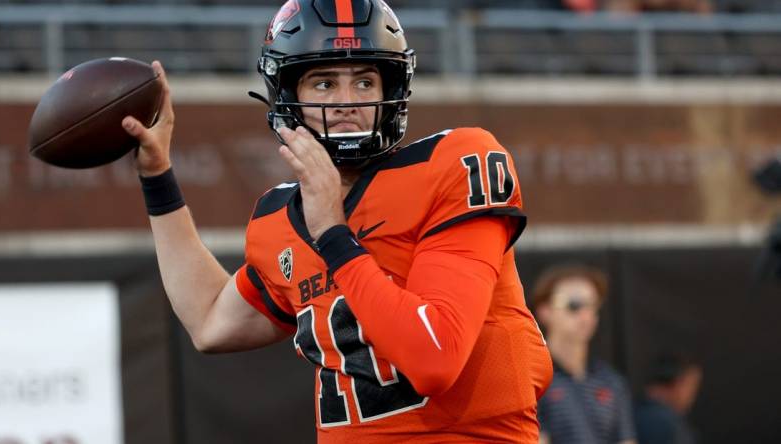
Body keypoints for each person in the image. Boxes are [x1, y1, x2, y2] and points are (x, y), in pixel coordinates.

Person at [120, 0, 553, 442]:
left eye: (365, 81)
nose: (347, 102)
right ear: (287, 96)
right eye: (324, 83)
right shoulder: (279, 219)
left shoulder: (453, 163)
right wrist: (157, 177)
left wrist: (333, 233)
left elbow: (434, 358)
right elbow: (209, 320)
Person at [531, 264, 636, 444]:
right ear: (545, 311)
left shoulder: (612, 382)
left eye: (593, 305)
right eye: (574, 305)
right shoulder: (532, 379)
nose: (586, 315)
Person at [634, 352, 702, 444]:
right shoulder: (668, 424)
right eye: (691, 386)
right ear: (679, 383)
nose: (691, 397)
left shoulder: (628, 414)